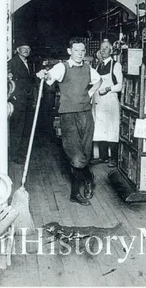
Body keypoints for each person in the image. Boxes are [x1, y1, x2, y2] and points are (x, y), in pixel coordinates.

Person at [38, 38, 102, 206]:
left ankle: (88, 177)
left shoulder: (88, 68)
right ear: (69, 51)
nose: (80, 54)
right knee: (75, 154)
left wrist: (89, 93)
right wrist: (44, 74)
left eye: (82, 51)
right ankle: (76, 193)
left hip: (86, 115)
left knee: (86, 152)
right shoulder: (62, 67)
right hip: (68, 115)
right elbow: (50, 76)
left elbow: (99, 80)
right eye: (76, 50)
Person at [91, 39, 123, 167]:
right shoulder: (98, 66)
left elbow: (120, 85)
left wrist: (109, 88)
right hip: (99, 103)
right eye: (101, 48)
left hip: (110, 102)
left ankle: (113, 159)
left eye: (106, 48)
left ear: (111, 50)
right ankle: (103, 157)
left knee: (112, 130)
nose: (103, 50)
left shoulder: (116, 65)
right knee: (100, 129)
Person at [8, 42, 37, 164]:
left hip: (27, 99)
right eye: (23, 48)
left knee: (26, 128)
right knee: (17, 128)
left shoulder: (29, 63)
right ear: (17, 50)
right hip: (17, 100)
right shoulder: (12, 63)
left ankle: (23, 154)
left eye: (28, 48)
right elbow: (8, 82)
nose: (26, 50)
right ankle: (15, 155)